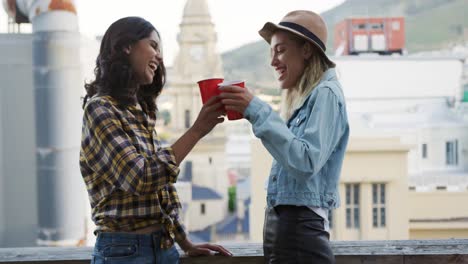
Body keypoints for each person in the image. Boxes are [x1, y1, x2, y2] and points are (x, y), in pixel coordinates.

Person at [80, 16, 232, 264]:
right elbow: (141, 178)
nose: (159, 57)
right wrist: (197, 131)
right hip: (124, 251)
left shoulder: (138, 110)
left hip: (164, 247)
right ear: (126, 46)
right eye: (152, 45)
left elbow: (161, 190)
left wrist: (185, 242)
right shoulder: (100, 110)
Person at [219, 10, 349, 263]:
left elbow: (306, 162)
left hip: (299, 232)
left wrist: (256, 110)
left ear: (306, 50)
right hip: (290, 231)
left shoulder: (326, 94)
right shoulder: (308, 96)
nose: (273, 61)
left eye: (280, 50)